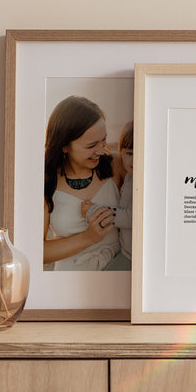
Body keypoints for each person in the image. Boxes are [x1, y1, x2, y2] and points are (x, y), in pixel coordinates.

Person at [44, 95, 123, 271]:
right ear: (64, 146)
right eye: (91, 145)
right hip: (70, 279)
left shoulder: (115, 165)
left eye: (104, 140)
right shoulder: (46, 180)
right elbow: (38, 252)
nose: (101, 150)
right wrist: (89, 237)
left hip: (118, 271)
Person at [82, 120, 133, 270]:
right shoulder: (129, 175)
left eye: (142, 153)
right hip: (125, 248)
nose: (135, 159)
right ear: (121, 153)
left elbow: (131, 217)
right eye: (129, 153)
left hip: (132, 254)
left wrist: (94, 211)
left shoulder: (143, 181)